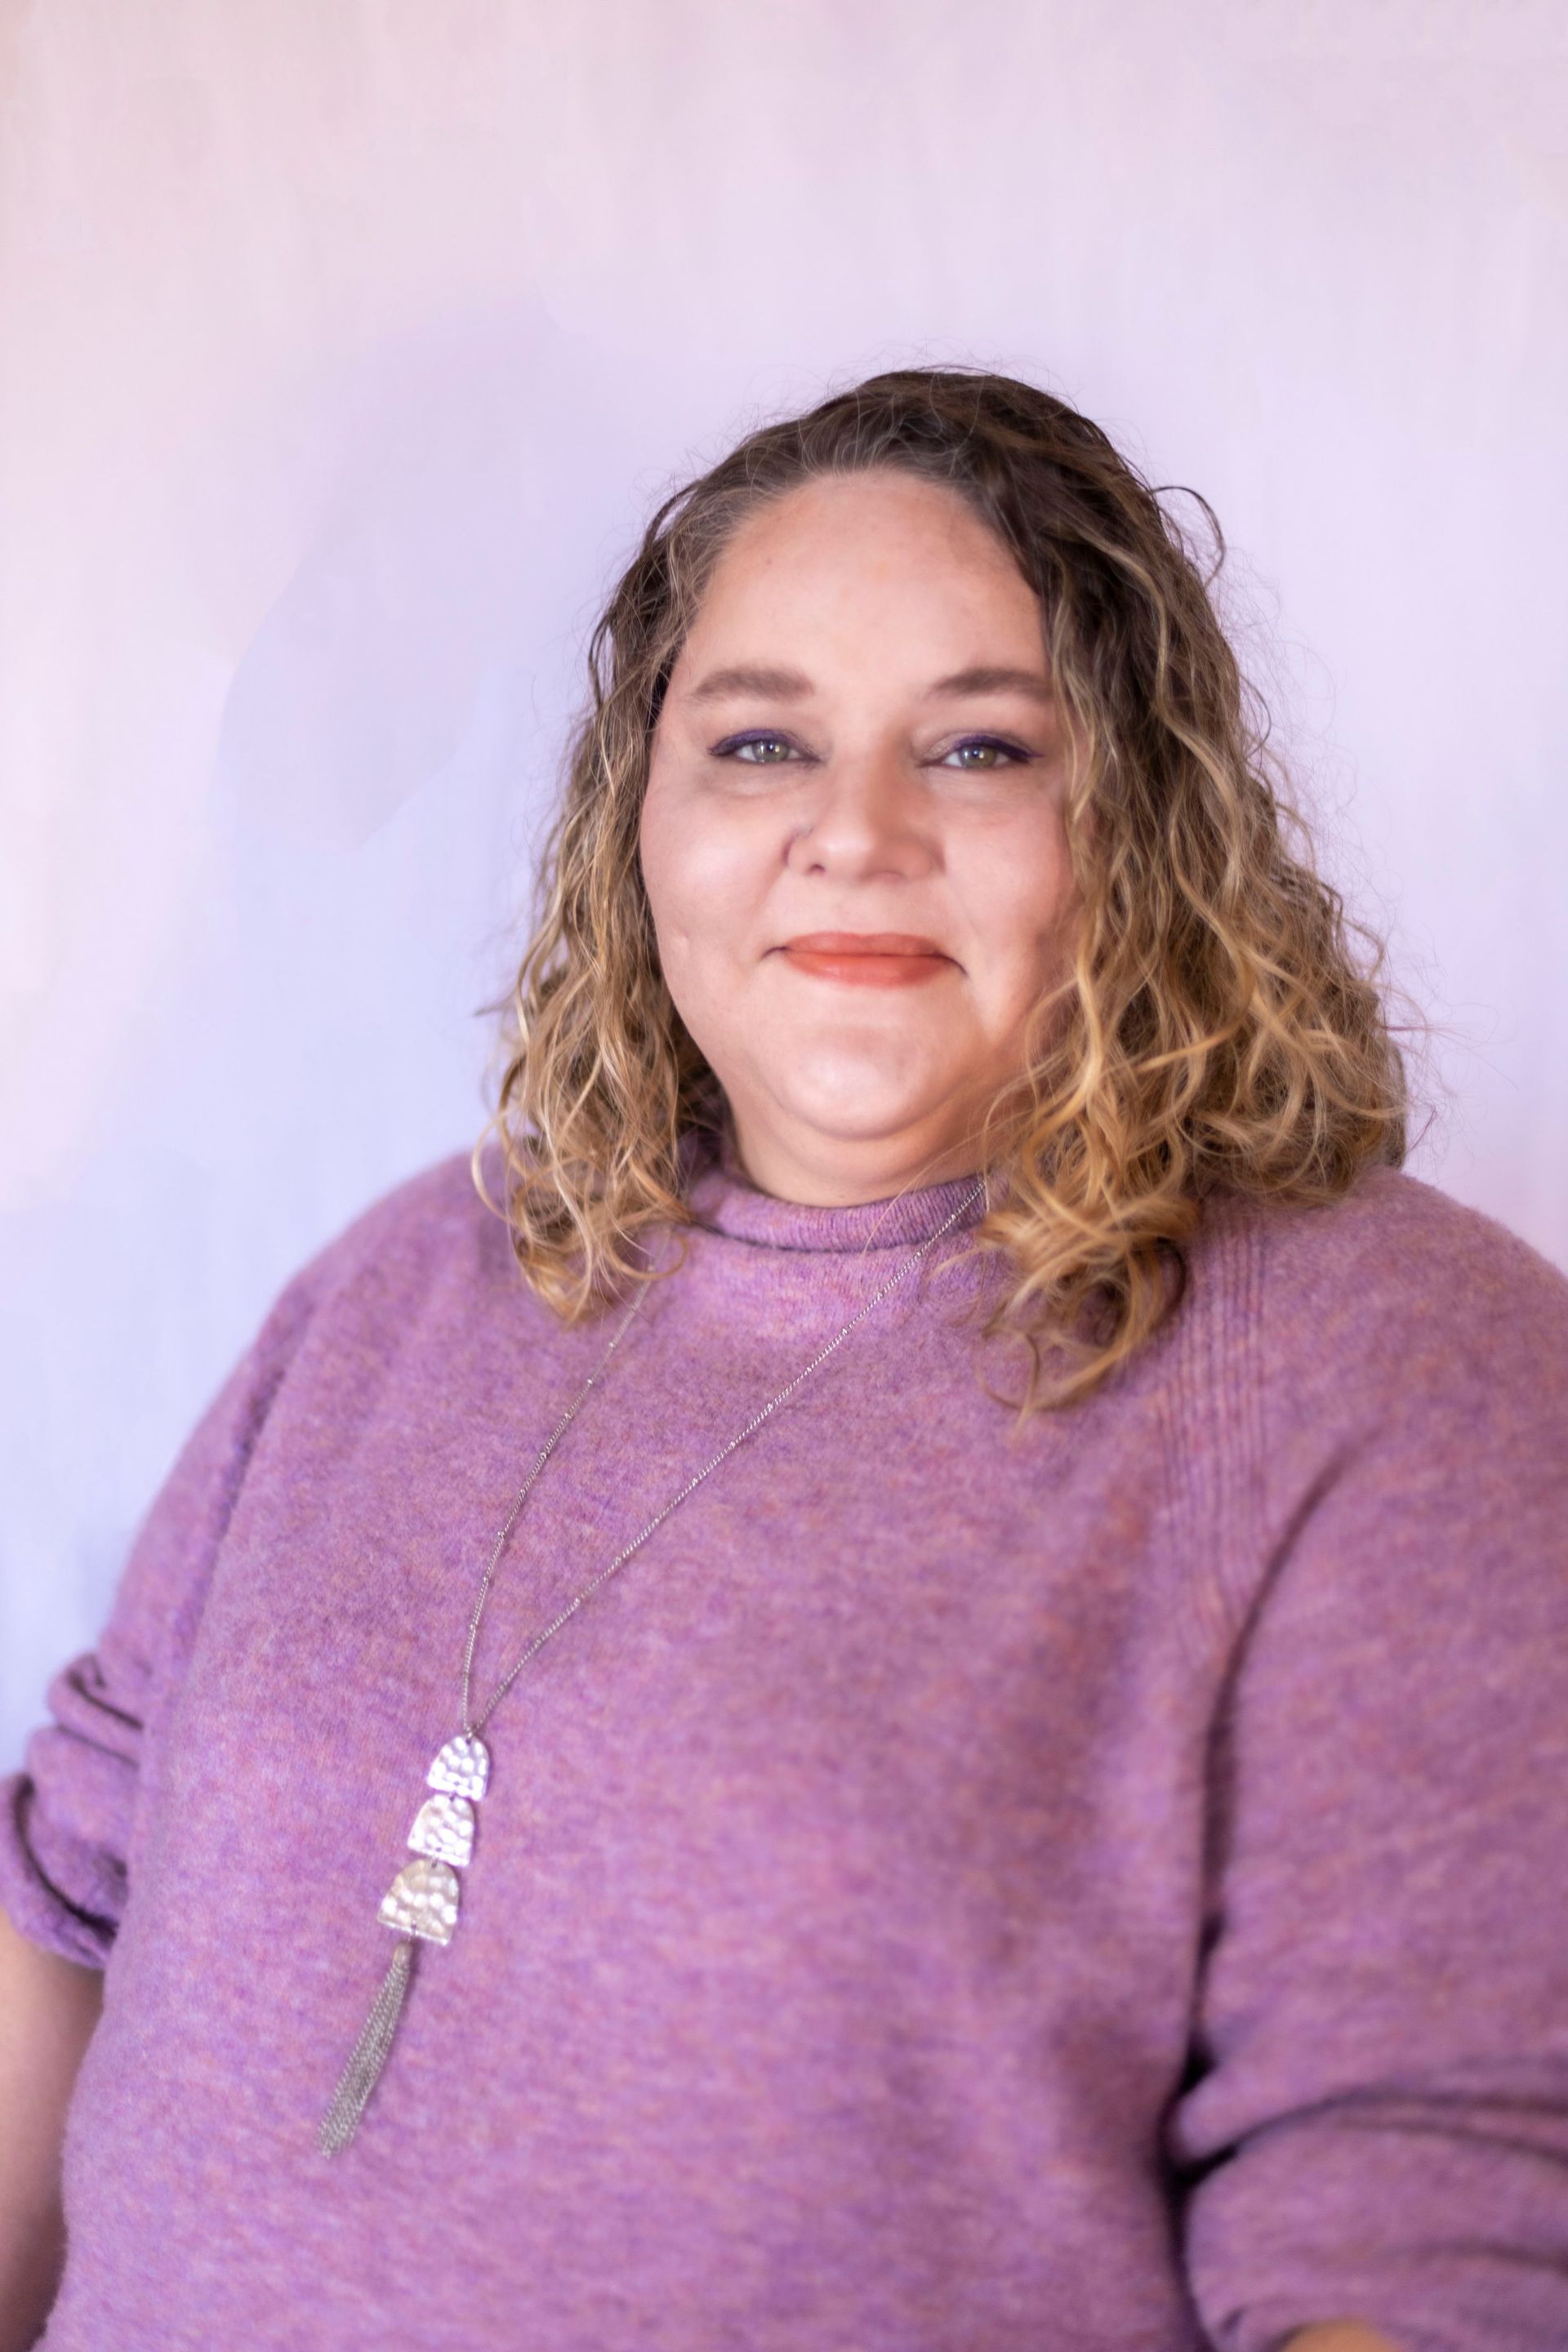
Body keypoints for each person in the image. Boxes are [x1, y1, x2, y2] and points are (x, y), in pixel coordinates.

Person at [2, 368, 1565, 2352]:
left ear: (1144, 822)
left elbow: (1427, 2214)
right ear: (639, 818)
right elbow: (66, 1906)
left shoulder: (1390, 1372)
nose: (856, 834)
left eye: (982, 749)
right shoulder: (418, 1277)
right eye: (760, 741)